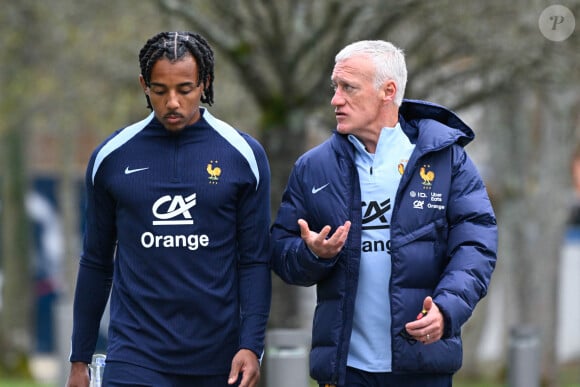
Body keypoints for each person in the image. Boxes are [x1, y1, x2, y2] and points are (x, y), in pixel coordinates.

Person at [270, 40, 498, 387]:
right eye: (335, 87)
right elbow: (281, 254)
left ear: (387, 91)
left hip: (422, 365)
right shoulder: (313, 168)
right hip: (345, 370)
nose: (335, 99)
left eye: (348, 88)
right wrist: (313, 254)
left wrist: (446, 308)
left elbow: (476, 248)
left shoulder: (445, 160)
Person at [66, 31, 271, 387]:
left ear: (204, 83)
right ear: (144, 85)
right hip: (135, 356)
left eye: (185, 89)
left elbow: (254, 259)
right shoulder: (111, 157)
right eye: (160, 91)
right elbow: (96, 261)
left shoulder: (243, 155)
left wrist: (251, 345)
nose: (172, 102)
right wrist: (79, 359)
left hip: (218, 357)